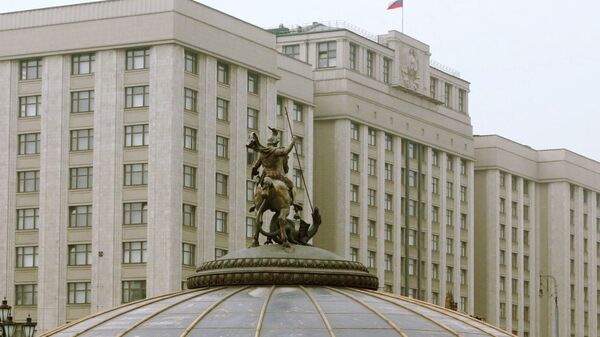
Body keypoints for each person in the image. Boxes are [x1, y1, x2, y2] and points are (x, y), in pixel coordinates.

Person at [250, 127, 302, 213]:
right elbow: (285, 151)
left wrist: (254, 171)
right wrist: (293, 142)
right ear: (275, 143)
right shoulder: (275, 151)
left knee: (257, 186)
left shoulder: (262, 153)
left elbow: (256, 166)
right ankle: (295, 202)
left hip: (265, 176)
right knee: (292, 186)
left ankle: (254, 203)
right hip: (278, 176)